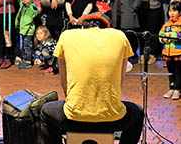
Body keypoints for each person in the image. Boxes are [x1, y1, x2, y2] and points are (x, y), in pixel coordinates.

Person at [40, 12, 144, 144]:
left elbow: (64, 79)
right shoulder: (119, 36)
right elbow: (119, 81)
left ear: (83, 27)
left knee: (45, 112)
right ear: (106, 28)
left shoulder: (67, 35)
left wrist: (73, 101)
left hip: (73, 119)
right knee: (138, 113)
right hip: (112, 120)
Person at [159, 1, 181, 100]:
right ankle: (171, 88)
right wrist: (163, 39)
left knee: (179, 71)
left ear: (180, 12)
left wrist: (170, 36)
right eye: (170, 11)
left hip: (180, 52)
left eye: (174, 10)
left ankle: (178, 89)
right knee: (170, 71)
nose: (171, 13)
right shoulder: (166, 25)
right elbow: (160, 35)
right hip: (168, 52)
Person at [15, 0, 40, 69]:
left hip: (28, 30)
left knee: (27, 46)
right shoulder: (22, 5)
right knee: (23, 46)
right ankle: (25, 59)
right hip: (22, 29)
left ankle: (28, 61)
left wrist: (33, 3)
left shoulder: (32, 7)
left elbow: (37, 10)